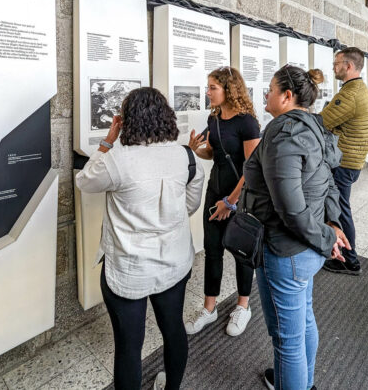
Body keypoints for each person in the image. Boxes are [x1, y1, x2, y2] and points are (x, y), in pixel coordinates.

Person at [76, 87, 204, 390]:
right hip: (174, 262)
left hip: (129, 269)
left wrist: (108, 139)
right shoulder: (185, 156)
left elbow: (84, 181)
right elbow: (189, 205)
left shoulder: (118, 159)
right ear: (166, 117)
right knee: (173, 329)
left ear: (126, 119)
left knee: (129, 348)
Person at [242, 65, 350, 390]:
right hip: (304, 247)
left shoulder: (284, 132)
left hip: (287, 250)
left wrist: (328, 235)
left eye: (271, 89)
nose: (266, 95)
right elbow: (329, 180)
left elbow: (290, 208)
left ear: (286, 96)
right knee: (303, 321)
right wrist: (331, 224)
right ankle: (304, 384)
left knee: (287, 340)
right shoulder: (314, 125)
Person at [185, 67, 260, 337]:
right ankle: (210, 307)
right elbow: (215, 154)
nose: (207, 92)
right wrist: (197, 149)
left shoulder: (247, 122)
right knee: (212, 248)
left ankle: (243, 305)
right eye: (208, 87)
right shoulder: (214, 118)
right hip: (215, 191)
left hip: (239, 197)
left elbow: (251, 168)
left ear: (229, 89)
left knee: (241, 252)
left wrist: (230, 202)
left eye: (212, 87)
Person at [320, 47, 368, 276]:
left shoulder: (350, 94)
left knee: (339, 210)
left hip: (344, 162)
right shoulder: (356, 89)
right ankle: (336, 251)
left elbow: (323, 121)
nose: (334, 67)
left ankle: (350, 260)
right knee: (339, 208)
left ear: (349, 66)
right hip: (350, 160)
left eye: (337, 63)